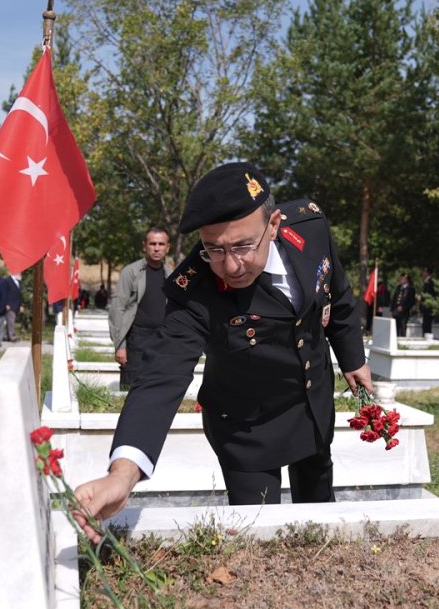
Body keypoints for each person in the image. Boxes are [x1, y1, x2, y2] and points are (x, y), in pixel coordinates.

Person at [73, 161, 373, 541]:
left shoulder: (309, 228)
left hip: (312, 408)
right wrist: (123, 474)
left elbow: (338, 293)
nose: (231, 265)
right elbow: (161, 377)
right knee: (257, 538)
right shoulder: (193, 290)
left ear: (275, 224)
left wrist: (353, 359)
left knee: (320, 518)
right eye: (214, 249)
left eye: (244, 246)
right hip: (247, 427)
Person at [109, 227, 173, 390]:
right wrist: (120, 346)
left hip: (161, 340)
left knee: (157, 389)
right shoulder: (131, 272)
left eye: (161, 244)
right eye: (152, 244)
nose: (157, 248)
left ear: (168, 247)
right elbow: (118, 309)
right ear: (144, 245)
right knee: (130, 390)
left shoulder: (171, 274)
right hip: (136, 339)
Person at [0, 270, 23, 342]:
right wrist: (6, 303)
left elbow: (20, 295)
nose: (20, 273)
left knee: (9, 321)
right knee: (11, 320)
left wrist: (21, 305)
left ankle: (5, 335)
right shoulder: (7, 281)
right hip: (10, 304)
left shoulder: (19, 282)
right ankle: (12, 336)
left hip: (16, 304)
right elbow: (5, 293)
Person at [391, 272, 415, 337]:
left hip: (404, 312)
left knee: (403, 326)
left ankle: (402, 340)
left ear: (406, 280)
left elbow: (411, 301)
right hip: (396, 311)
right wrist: (392, 309)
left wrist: (403, 307)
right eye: (401, 278)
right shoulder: (398, 287)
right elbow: (394, 299)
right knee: (395, 327)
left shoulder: (410, 289)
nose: (401, 280)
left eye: (403, 279)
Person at [420, 267, 436, 338]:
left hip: (428, 307)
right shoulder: (426, 281)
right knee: (425, 324)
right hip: (425, 307)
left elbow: (429, 294)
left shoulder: (430, 282)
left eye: (424, 272)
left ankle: (427, 336)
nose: (423, 273)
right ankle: (425, 336)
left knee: (427, 324)